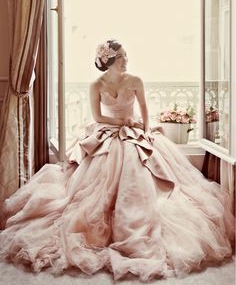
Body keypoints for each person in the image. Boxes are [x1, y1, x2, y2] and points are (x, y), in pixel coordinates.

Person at [0, 39, 234, 282]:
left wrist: (143, 129)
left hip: (135, 131)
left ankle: (134, 221)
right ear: (108, 62)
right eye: (121, 57)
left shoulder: (135, 81)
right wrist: (122, 123)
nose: (126, 60)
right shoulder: (95, 85)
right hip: (109, 129)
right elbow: (98, 116)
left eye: (125, 56)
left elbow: (144, 109)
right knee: (92, 181)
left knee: (140, 169)